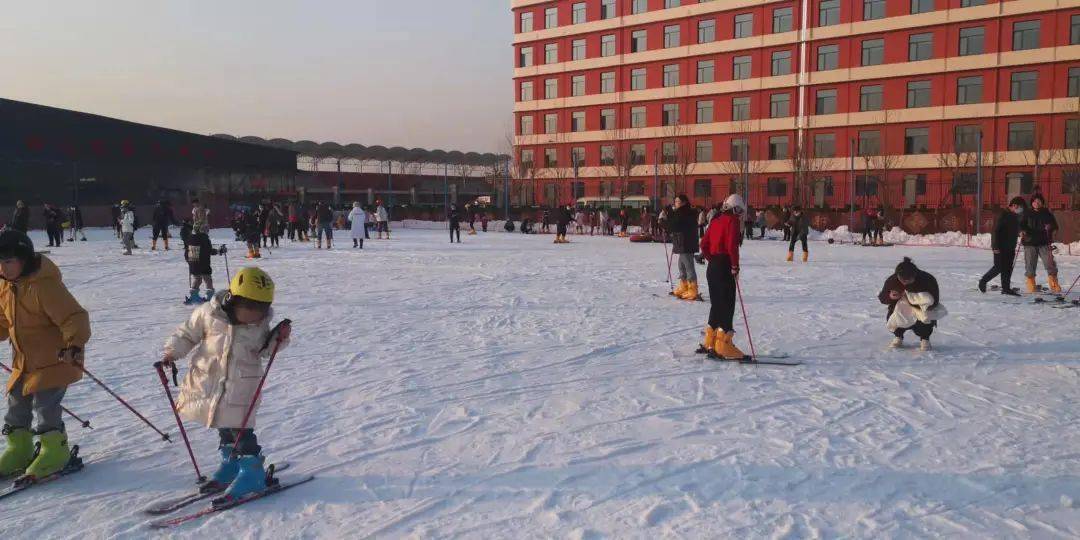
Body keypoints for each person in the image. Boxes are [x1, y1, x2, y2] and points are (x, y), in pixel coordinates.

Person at [160, 267, 291, 502]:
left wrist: (278, 340)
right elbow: (187, 334)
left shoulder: (259, 325)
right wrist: (171, 353)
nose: (255, 318)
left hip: (241, 388)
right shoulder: (207, 314)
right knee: (223, 426)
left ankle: (252, 472)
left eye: (261, 312)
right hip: (209, 382)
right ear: (233, 300)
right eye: (250, 312)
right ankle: (230, 465)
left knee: (241, 431)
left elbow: (265, 351)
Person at [0, 229, 91, 480]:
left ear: (24, 259)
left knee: (46, 407)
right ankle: (19, 448)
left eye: (8, 261)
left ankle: (55, 451)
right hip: (24, 362)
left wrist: (73, 345)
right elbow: (2, 321)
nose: (3, 268)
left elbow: (74, 317)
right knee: (16, 404)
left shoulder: (44, 287)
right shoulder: (6, 287)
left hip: (55, 360)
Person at [697, 194, 748, 360]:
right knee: (727, 304)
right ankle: (723, 345)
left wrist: (712, 259)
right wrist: (734, 266)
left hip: (712, 267)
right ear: (734, 208)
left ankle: (709, 341)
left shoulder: (716, 220)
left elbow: (703, 244)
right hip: (725, 265)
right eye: (739, 210)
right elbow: (732, 246)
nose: (739, 214)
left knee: (717, 304)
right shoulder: (731, 221)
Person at [879, 257, 946, 351]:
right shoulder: (892, 280)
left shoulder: (927, 279)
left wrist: (914, 301)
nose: (904, 282)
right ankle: (898, 336)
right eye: (902, 279)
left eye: (908, 280)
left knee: (925, 318)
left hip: (922, 309)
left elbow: (934, 301)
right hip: (900, 308)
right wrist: (891, 297)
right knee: (895, 316)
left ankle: (925, 339)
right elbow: (882, 298)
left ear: (915, 275)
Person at [979, 197, 1025, 296]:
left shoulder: (1015, 216)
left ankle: (1006, 288)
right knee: (999, 267)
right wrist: (995, 246)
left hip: (1010, 246)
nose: (1020, 209)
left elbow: (1014, 229)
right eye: (1020, 207)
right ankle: (983, 281)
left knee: (1008, 268)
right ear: (1014, 205)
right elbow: (995, 230)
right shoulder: (1002, 214)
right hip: (1000, 246)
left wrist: (1020, 232)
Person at [1020, 194, 1061, 293]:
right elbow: (1021, 225)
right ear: (1032, 203)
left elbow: (1055, 226)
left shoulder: (1047, 213)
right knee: (1030, 264)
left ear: (1042, 203)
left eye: (1039, 201)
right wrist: (1022, 231)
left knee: (1050, 263)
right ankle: (1031, 284)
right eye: (1034, 201)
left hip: (1044, 242)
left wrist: (1050, 227)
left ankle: (1054, 283)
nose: (1036, 203)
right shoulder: (1027, 213)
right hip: (1030, 242)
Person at [667, 194, 700, 301]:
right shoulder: (681, 212)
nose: (676, 203)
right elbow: (673, 224)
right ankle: (684, 285)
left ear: (684, 202)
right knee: (681, 265)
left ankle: (692, 289)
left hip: (686, 243)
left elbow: (675, 225)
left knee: (688, 265)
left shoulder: (686, 213)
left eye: (678, 201)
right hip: (682, 243)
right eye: (675, 201)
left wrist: (669, 216)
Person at [184, 230, 222, 305]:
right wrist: (218, 251)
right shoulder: (204, 239)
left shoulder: (190, 238)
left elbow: (186, 252)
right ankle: (209, 297)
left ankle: (194, 296)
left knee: (197, 279)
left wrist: (189, 262)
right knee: (208, 279)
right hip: (203, 263)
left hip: (193, 263)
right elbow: (208, 250)